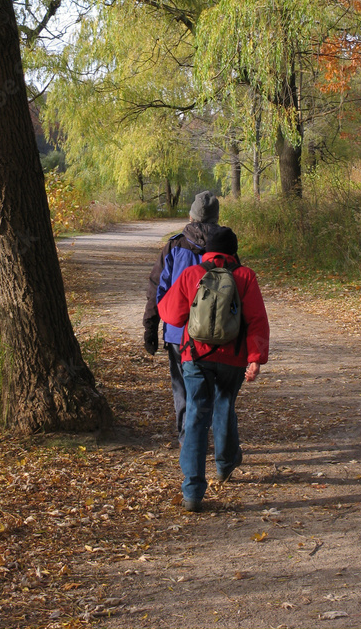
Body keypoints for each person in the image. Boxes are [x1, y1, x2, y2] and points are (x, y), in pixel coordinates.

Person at [158, 226, 270, 512]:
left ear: (207, 250)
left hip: (195, 357)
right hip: (233, 358)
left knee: (196, 414)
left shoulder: (193, 274)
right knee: (224, 405)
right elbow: (256, 320)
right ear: (233, 251)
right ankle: (225, 464)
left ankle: (193, 491)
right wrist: (255, 357)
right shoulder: (245, 276)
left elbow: (170, 314)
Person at [143, 190, 223, 443]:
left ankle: (188, 439)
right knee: (212, 386)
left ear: (190, 216)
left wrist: (150, 328)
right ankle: (206, 433)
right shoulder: (224, 246)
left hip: (179, 332)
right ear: (217, 218)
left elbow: (157, 289)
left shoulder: (174, 246)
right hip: (217, 331)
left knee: (182, 387)